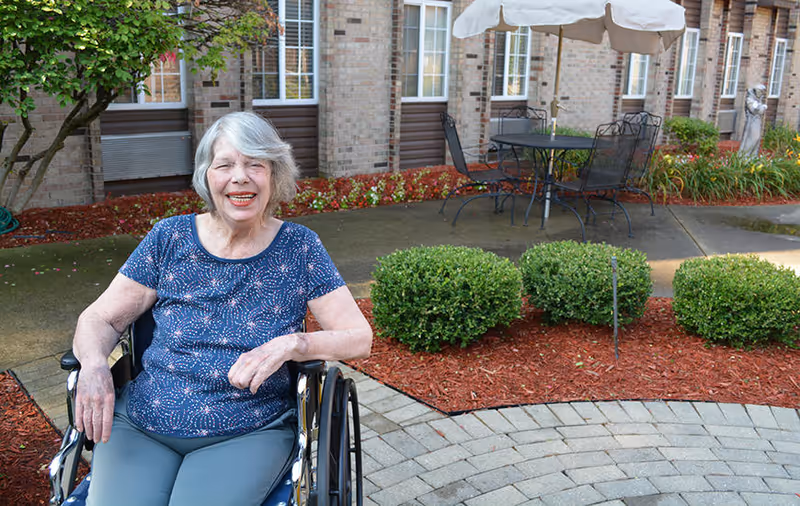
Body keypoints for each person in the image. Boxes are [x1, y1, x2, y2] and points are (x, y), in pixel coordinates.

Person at [72, 111, 373, 506]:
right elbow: (99, 317)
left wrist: (293, 345)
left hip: (247, 430)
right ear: (207, 176)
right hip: (141, 423)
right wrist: (94, 365)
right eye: (225, 165)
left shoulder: (300, 248)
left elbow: (359, 338)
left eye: (255, 165)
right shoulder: (169, 238)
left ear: (274, 175)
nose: (240, 177)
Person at [739, 84, 767, 158]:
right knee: (752, 138)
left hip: (757, 121)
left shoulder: (757, 100)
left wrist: (761, 107)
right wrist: (762, 107)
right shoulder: (750, 99)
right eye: (760, 91)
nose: (761, 93)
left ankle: (752, 156)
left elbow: (760, 110)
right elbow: (755, 110)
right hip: (752, 122)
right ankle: (744, 156)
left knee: (757, 139)